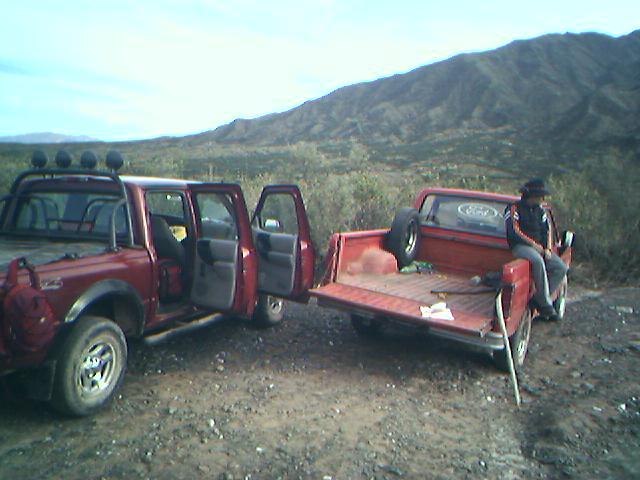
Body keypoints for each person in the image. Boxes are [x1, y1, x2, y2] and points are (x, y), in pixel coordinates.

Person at [504, 178, 569, 321]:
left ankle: (539, 298)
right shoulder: (514, 208)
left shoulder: (541, 211)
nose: (543, 198)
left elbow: (547, 231)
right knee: (537, 261)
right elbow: (513, 231)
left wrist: (547, 248)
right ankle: (546, 305)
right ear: (532, 196)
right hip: (520, 246)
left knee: (560, 267)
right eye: (541, 196)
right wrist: (534, 245)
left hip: (540, 248)